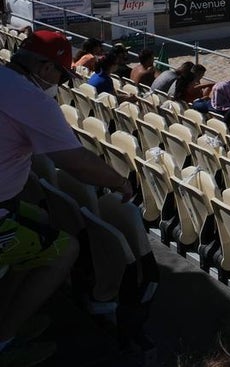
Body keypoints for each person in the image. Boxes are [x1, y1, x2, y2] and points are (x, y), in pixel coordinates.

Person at [0, 31, 132, 366]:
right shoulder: (32, 99)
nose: (60, 81)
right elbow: (76, 162)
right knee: (63, 249)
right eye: (60, 73)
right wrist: (121, 184)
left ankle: (7, 316)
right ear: (45, 69)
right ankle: (4, 341)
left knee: (39, 225)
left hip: (8, 203)